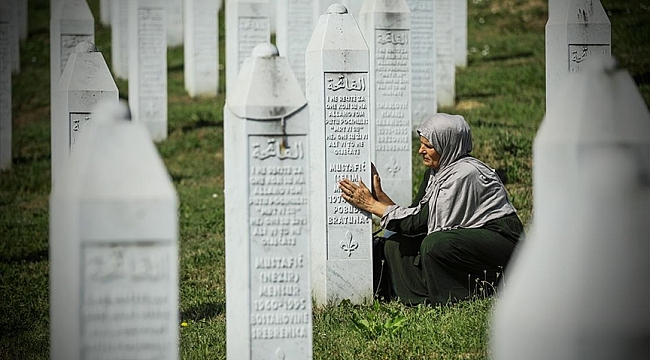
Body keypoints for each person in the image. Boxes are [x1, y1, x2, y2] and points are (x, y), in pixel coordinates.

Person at [338, 113, 524, 306]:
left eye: (428, 146)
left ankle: (476, 290)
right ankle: (417, 297)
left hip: (501, 242)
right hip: (468, 238)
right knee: (394, 242)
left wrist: (372, 205)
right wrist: (379, 196)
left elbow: (420, 222)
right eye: (421, 144)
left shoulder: (465, 174)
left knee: (435, 244)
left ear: (447, 144)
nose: (421, 150)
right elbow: (415, 216)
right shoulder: (437, 173)